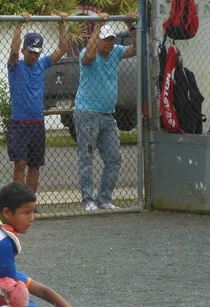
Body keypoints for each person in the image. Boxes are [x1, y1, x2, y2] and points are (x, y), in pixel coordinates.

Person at [74, 12, 138, 211]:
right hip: (87, 113)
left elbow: (135, 49)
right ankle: (88, 200)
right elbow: (90, 56)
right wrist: (99, 26)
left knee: (114, 158)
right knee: (86, 157)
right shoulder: (87, 53)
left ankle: (104, 198)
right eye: (106, 41)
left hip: (107, 115)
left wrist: (129, 25)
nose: (110, 44)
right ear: (98, 40)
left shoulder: (116, 52)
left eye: (112, 40)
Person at [7, 12, 70, 209]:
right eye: (31, 51)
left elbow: (63, 48)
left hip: (37, 123)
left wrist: (63, 23)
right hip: (19, 124)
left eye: (37, 52)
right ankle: (17, 204)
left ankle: (29, 204)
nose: (34, 55)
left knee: (35, 165)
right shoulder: (15, 66)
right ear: (25, 50)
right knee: (20, 163)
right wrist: (19, 25)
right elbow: (14, 51)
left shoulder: (42, 64)